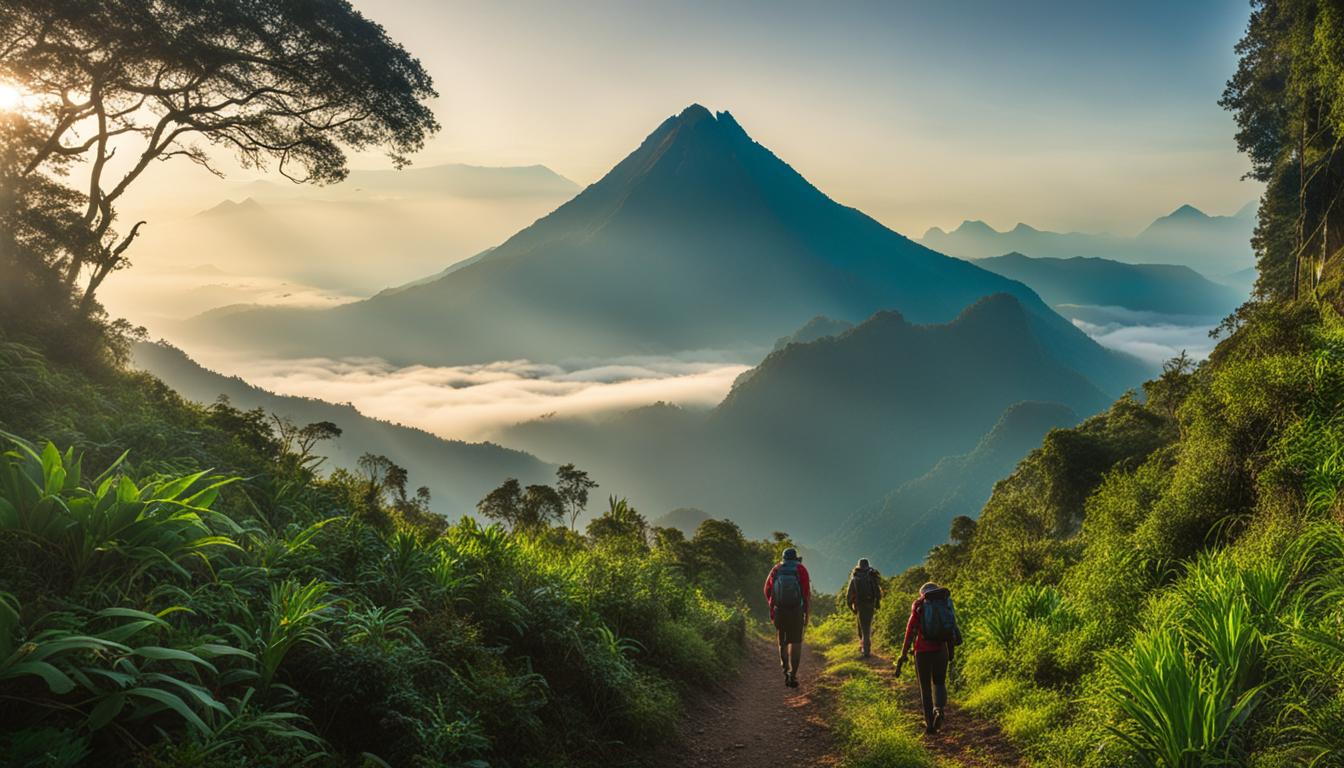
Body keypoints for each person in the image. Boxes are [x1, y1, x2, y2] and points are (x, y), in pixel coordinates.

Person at [898, 582, 962, 735]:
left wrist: (904, 652)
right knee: (939, 682)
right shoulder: (945, 603)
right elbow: (951, 626)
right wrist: (951, 652)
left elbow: (910, 629)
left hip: (922, 652)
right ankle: (939, 709)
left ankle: (929, 723)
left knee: (925, 687)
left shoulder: (919, 604)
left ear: (923, 593)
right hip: (941, 650)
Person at [763, 547, 811, 688]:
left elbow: (767, 590)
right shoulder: (801, 570)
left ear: (783, 558)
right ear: (796, 558)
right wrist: (806, 614)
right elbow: (806, 595)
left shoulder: (776, 569)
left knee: (782, 640)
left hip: (780, 611)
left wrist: (774, 605)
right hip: (796, 611)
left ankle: (785, 669)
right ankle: (793, 675)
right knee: (796, 643)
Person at [846, 558, 882, 657]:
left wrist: (851, 607)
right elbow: (877, 590)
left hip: (859, 605)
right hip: (870, 604)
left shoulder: (855, 577)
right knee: (867, 626)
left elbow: (849, 595)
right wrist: (877, 602)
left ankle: (865, 650)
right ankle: (865, 647)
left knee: (861, 627)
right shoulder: (871, 575)